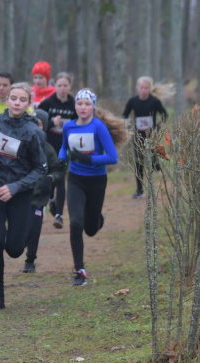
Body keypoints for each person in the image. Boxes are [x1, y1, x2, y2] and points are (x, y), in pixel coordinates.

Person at [0, 82, 47, 310]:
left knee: (15, 250)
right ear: (6, 100)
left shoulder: (33, 131)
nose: (17, 103)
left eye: (22, 100)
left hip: (20, 193)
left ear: (29, 104)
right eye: (13, 98)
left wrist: (16, 187)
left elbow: (40, 168)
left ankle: (25, 228)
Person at [59, 89, 127, 286]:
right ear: (75, 106)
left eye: (86, 104)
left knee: (90, 229)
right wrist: (61, 161)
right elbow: (64, 148)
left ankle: (97, 217)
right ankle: (80, 270)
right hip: (75, 180)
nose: (82, 107)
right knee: (76, 223)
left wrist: (88, 158)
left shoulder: (98, 127)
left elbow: (112, 157)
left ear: (93, 107)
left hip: (97, 181)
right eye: (79, 103)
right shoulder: (69, 127)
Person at [22, 109, 67, 273]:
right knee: (21, 234)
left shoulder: (48, 150)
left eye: (39, 124)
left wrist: (50, 179)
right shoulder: (21, 146)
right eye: (32, 123)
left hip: (39, 198)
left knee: (34, 230)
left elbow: (58, 171)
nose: (35, 127)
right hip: (21, 196)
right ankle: (20, 245)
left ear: (45, 127)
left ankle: (30, 261)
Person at [122, 76, 173, 199]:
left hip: (152, 135)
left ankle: (156, 161)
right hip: (138, 136)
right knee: (139, 161)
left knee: (151, 156)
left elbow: (165, 115)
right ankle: (139, 190)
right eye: (141, 88)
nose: (143, 90)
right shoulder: (132, 101)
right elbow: (124, 115)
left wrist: (157, 127)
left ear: (150, 89)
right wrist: (126, 127)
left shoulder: (154, 101)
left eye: (146, 88)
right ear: (137, 88)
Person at [38, 72, 77, 229]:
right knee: (48, 178)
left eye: (65, 86)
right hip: (47, 148)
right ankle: (51, 201)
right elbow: (36, 123)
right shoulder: (47, 103)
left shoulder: (74, 104)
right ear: (55, 87)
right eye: (59, 86)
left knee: (60, 178)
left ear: (70, 87)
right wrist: (51, 122)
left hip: (65, 148)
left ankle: (59, 215)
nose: (62, 89)